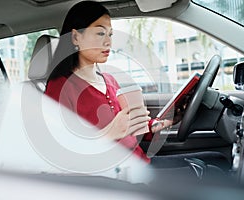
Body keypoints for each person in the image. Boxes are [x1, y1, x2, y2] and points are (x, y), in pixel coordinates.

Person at [45, 1, 172, 163]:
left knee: (211, 161)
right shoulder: (60, 88)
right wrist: (110, 133)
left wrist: (163, 122)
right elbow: (61, 152)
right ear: (76, 37)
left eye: (110, 34)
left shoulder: (109, 80)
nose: (108, 42)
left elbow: (130, 130)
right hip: (118, 178)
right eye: (100, 34)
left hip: (141, 162)